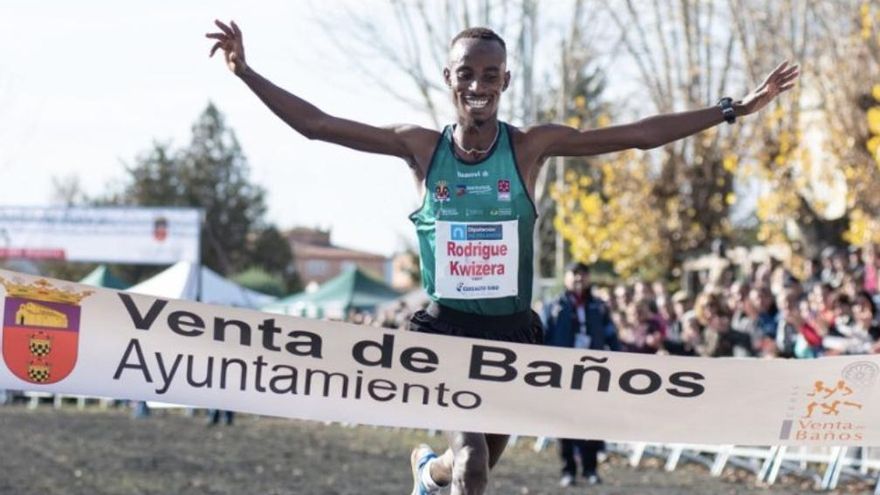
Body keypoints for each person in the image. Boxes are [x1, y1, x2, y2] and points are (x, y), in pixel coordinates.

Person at [205, 19, 799, 495]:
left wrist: (735, 109)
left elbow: (637, 134)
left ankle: (425, 473)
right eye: (467, 74)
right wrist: (247, 72)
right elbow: (319, 126)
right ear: (449, 78)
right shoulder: (419, 148)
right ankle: (443, 471)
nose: (478, 85)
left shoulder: (530, 147)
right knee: (474, 471)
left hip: (516, 335)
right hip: (447, 333)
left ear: (506, 80)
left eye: (490, 74)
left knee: (476, 463)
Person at [541, 262, 618, 487]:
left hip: (593, 371)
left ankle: (591, 469)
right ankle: (568, 470)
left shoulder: (599, 307)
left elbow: (611, 335)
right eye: (574, 274)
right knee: (564, 422)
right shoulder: (554, 306)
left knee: (592, 421)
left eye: (582, 275)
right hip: (563, 373)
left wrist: (620, 360)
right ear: (566, 277)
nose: (578, 279)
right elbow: (544, 337)